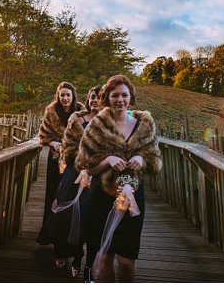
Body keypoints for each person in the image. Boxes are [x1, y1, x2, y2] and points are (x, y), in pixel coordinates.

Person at [74, 75, 162, 282]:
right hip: (101, 197)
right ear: (107, 98)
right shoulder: (97, 126)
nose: (120, 99)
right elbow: (85, 165)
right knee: (105, 255)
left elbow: (155, 162)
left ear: (131, 96)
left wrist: (142, 158)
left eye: (124, 95)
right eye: (115, 95)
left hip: (131, 199)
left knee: (126, 259)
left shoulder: (144, 125)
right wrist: (108, 160)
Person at [49, 85, 103, 277]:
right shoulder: (78, 119)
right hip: (75, 169)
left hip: (99, 173)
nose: (95, 100)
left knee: (92, 215)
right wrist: (69, 159)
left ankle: (87, 262)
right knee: (69, 210)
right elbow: (68, 143)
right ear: (88, 99)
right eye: (92, 97)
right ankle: (70, 252)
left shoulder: (109, 120)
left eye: (99, 97)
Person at [37, 81, 85, 246]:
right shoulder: (51, 111)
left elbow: (87, 135)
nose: (65, 98)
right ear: (58, 96)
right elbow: (43, 135)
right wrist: (52, 143)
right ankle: (48, 233)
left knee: (69, 195)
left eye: (68, 95)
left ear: (73, 96)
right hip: (55, 160)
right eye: (62, 95)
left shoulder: (80, 111)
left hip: (74, 161)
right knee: (52, 195)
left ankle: (66, 236)